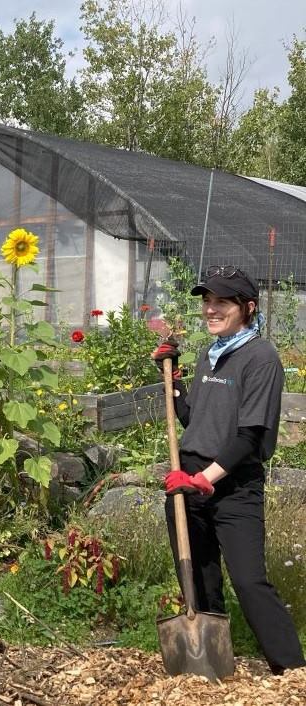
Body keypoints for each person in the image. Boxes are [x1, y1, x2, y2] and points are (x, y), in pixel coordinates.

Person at [153, 266, 304, 676]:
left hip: (234, 483)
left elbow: (249, 437)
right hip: (188, 477)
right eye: (206, 301)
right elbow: (194, 420)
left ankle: (292, 670)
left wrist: (205, 480)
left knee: (250, 581)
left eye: (221, 301)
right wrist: (174, 378)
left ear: (248, 307)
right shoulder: (210, 354)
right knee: (199, 579)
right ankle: (212, 667)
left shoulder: (261, 358)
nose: (210, 309)